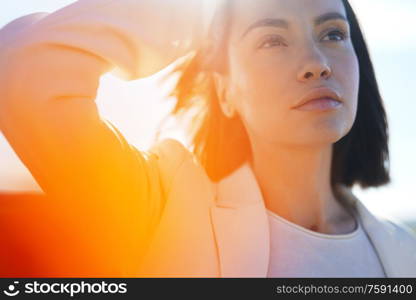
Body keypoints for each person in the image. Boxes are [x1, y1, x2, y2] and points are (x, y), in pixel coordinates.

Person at [0, 0, 415, 278]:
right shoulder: (162, 207)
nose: (316, 64)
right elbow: (20, 64)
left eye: (333, 34)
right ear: (225, 91)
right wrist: (204, 12)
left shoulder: (404, 249)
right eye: (272, 39)